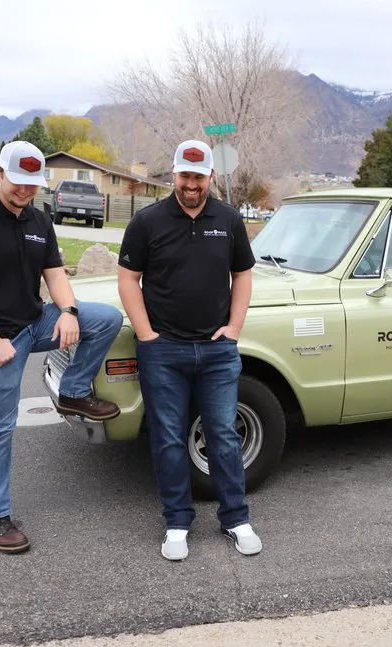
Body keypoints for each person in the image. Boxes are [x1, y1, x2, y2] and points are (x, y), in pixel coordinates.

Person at [0, 140, 124, 554]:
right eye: (18, 182)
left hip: (34, 320)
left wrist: (69, 311)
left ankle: (74, 392)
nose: (25, 190)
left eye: (32, 184)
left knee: (106, 318)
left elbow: (55, 273)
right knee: (0, 430)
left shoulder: (39, 219)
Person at [116, 139, 260, 561]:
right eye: (184, 176)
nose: (191, 184)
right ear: (173, 175)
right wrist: (145, 334)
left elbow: (243, 275)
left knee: (224, 437)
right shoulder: (147, 222)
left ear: (211, 177)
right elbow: (128, 278)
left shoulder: (230, 220)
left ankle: (236, 518)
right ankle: (177, 522)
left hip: (217, 352)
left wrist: (233, 328)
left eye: (199, 177)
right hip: (163, 351)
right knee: (168, 440)